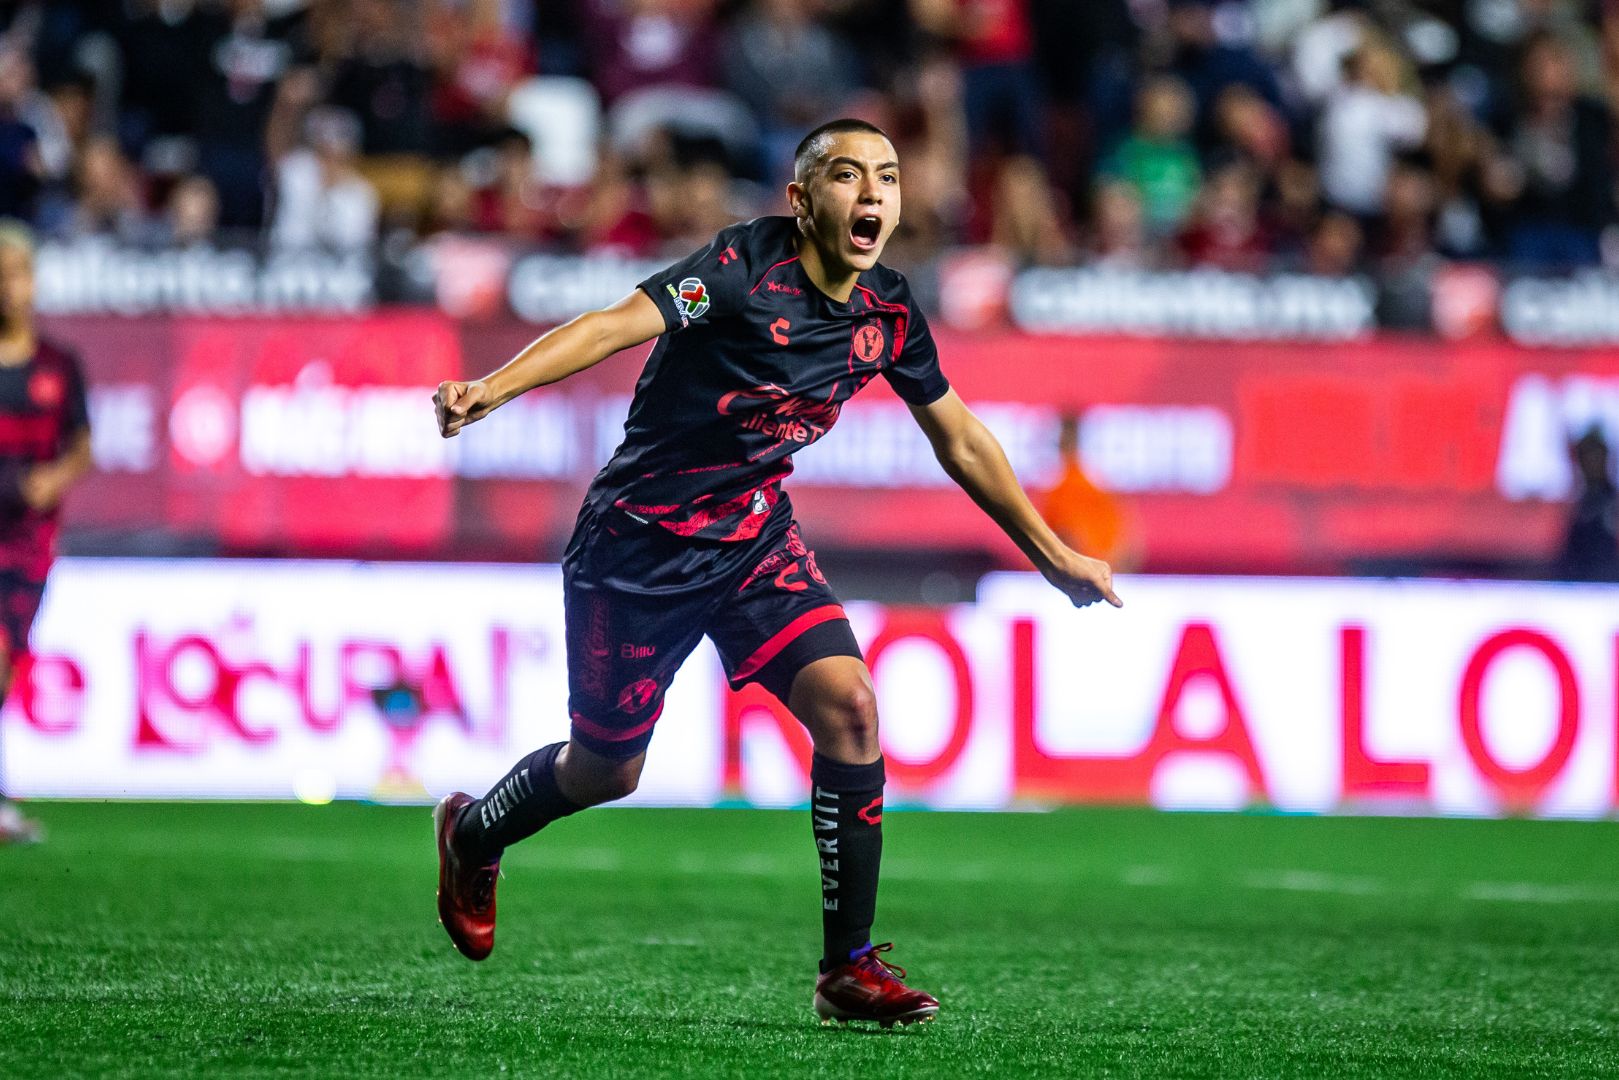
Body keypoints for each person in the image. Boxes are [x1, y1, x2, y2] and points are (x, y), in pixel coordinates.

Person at [429, 119, 1122, 1027]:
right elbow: (612, 325)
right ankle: (473, 832)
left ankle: (847, 969)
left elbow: (958, 437)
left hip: (754, 538)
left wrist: (1051, 552)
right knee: (606, 770)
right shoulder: (738, 268)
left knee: (852, 707)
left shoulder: (889, 313)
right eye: (845, 176)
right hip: (637, 547)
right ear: (802, 201)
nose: (871, 194)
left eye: (886, 177)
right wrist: (491, 388)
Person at [0, 222, 92, 843]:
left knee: (5, 661)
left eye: (18, 274)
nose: (10, 288)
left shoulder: (60, 364)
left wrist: (54, 477)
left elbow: (82, 444)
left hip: (29, 538)